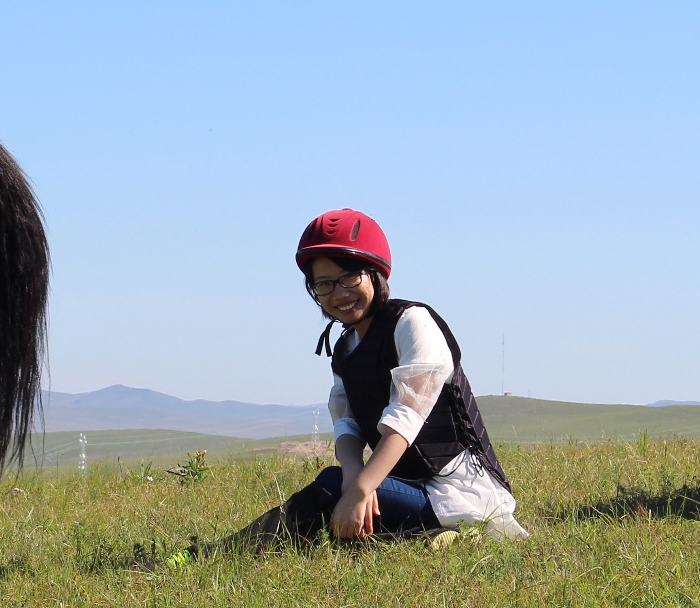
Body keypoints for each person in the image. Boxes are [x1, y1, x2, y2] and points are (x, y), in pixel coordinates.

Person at [202, 208, 526, 553]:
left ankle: (217, 555)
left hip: (462, 492)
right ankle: (427, 538)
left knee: (330, 486)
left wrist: (357, 490)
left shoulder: (413, 323)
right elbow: (348, 425)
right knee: (337, 498)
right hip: (406, 487)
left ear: (375, 274)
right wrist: (356, 478)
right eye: (323, 284)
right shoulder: (345, 349)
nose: (339, 293)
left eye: (349, 277)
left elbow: (407, 417)